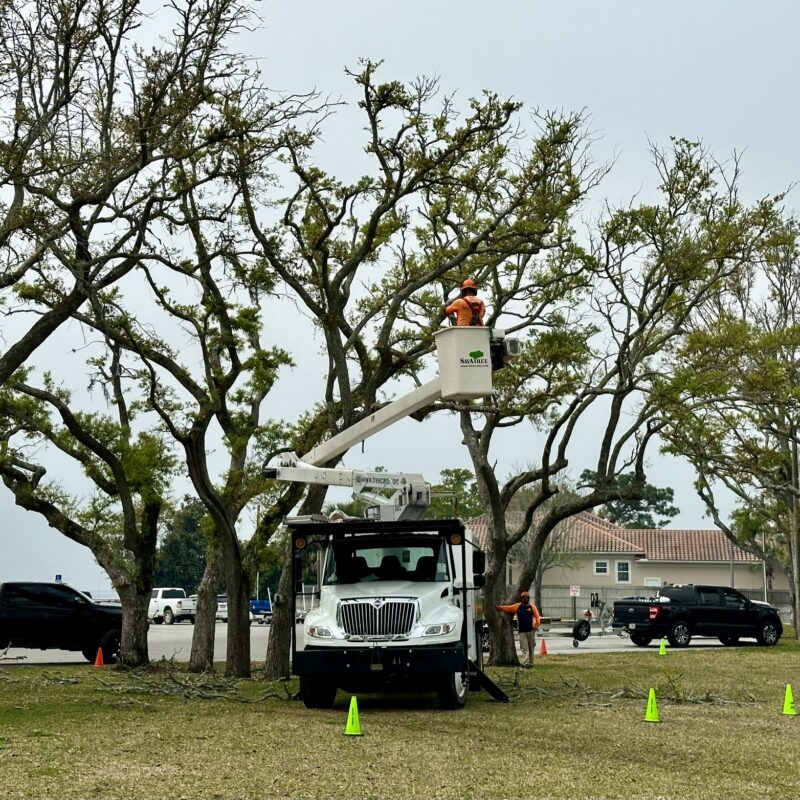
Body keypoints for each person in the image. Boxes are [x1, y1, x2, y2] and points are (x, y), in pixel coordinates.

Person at [496, 590, 541, 667]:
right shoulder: (517, 606)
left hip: (531, 631)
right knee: (524, 648)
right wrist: (499, 608)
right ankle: (526, 663)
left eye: (526, 597)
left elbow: (537, 616)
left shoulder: (532, 607)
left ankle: (531, 663)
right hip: (522, 631)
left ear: (529, 598)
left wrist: (536, 625)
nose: (525, 599)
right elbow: (508, 608)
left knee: (531, 647)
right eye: (523, 597)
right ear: (521, 598)